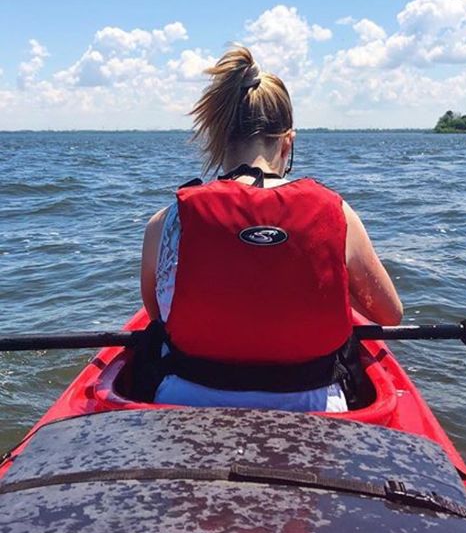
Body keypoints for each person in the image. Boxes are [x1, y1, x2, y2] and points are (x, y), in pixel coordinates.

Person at [138, 46, 403, 412]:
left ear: (219, 135)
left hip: (186, 403)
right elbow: (390, 315)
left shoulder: (165, 223)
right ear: (287, 140)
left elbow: (158, 317)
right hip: (313, 408)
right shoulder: (337, 214)